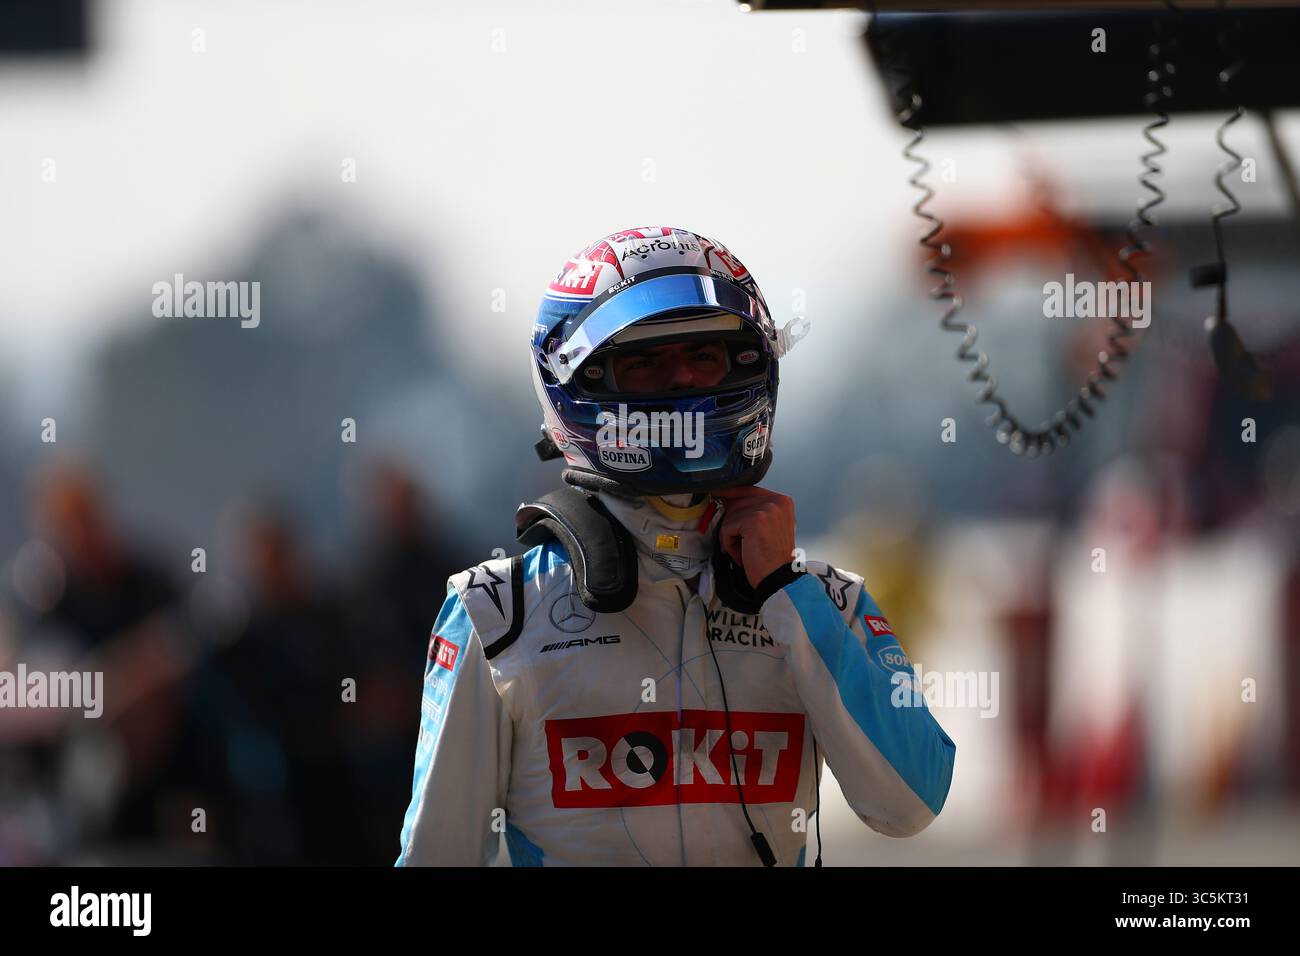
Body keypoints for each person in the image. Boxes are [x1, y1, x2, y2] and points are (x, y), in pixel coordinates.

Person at [397, 226, 955, 866]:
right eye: (645, 362)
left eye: (705, 356)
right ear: (577, 383)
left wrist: (786, 597)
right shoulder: (498, 613)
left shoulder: (825, 601)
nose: (684, 380)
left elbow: (910, 804)